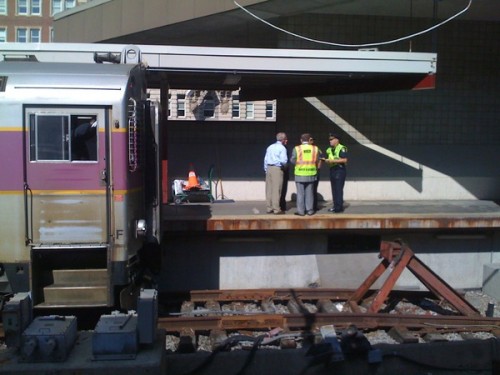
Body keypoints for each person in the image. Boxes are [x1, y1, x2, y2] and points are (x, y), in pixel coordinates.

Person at [290, 133, 320, 216]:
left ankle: (301, 211)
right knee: (310, 193)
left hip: (300, 174)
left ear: (301, 140)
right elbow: (318, 160)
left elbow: (293, 160)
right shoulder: (315, 148)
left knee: (300, 194)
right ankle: (310, 210)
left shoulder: (297, 148)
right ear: (309, 139)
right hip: (311, 173)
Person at [264, 132, 288, 214]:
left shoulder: (270, 147)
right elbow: (284, 161)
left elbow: (265, 159)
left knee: (269, 189)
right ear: (283, 140)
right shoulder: (282, 148)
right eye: (286, 139)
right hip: (277, 168)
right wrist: (285, 167)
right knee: (277, 189)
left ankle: (269, 207)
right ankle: (276, 208)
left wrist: (266, 169)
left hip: (269, 168)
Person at [324, 133, 348, 213]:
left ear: (337, 140)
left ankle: (339, 208)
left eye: (331, 139)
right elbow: (329, 158)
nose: (330, 141)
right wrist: (325, 160)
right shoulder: (329, 149)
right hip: (332, 169)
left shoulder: (342, 148)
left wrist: (332, 161)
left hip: (339, 170)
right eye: (329, 139)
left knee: (338, 189)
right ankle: (335, 206)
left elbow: (344, 160)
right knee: (334, 189)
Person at [308, 136, 323, 211]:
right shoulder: (304, 148)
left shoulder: (316, 149)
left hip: (315, 171)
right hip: (306, 172)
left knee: (313, 189)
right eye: (310, 139)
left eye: (312, 139)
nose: (312, 141)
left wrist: (318, 169)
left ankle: (314, 206)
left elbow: (321, 159)